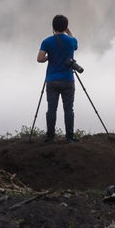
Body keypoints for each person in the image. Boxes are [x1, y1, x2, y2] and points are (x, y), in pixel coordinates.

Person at [36, 14, 78, 142]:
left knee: (51, 109)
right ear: (65, 27)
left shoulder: (47, 41)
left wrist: (49, 57)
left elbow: (40, 59)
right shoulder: (72, 41)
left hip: (52, 80)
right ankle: (69, 137)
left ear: (53, 27)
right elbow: (74, 43)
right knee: (69, 110)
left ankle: (50, 137)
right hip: (68, 79)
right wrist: (68, 31)